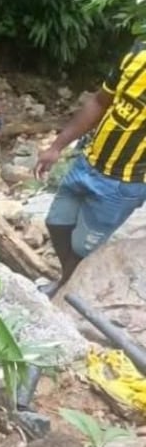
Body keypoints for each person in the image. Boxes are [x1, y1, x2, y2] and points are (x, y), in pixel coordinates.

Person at [36, 39, 146, 289]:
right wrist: (56, 147)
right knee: (56, 222)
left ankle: (66, 291)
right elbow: (99, 102)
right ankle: (69, 282)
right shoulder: (139, 53)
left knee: (83, 249)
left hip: (123, 184)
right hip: (87, 164)